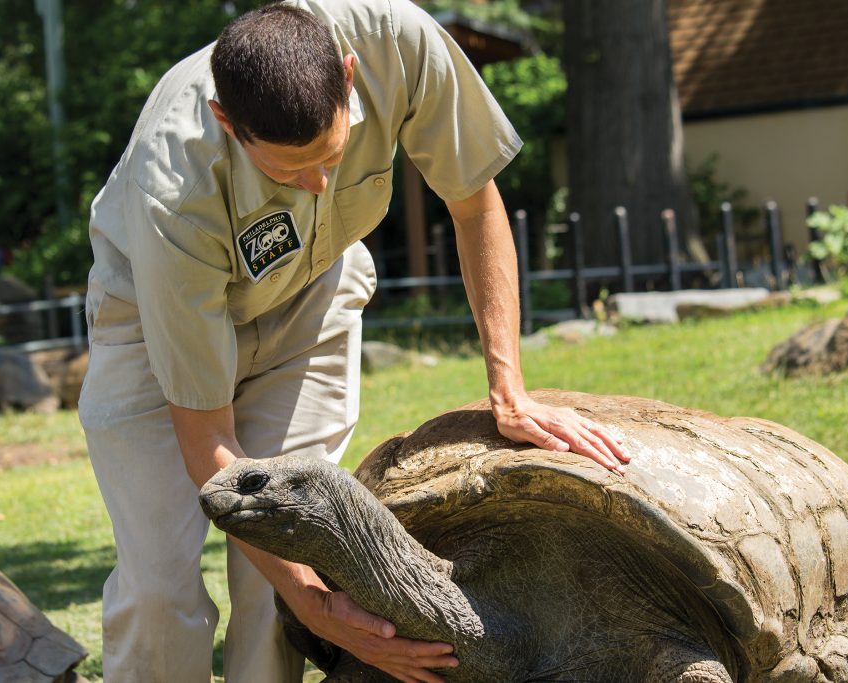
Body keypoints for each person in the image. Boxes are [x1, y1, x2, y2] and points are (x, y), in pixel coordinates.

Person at [79, 1, 629, 682]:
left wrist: (509, 390)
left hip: (308, 298)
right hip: (149, 322)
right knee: (159, 591)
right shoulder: (174, 183)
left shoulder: (400, 43)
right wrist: (318, 610)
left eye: (331, 158)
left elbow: (473, 201)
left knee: (284, 565)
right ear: (227, 123)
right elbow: (210, 448)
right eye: (288, 171)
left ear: (348, 75)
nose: (315, 185)